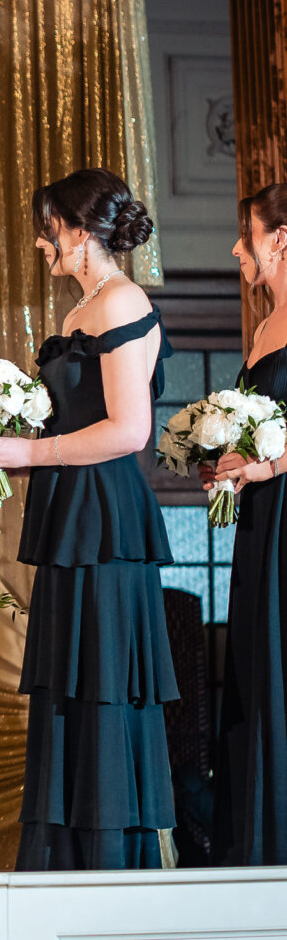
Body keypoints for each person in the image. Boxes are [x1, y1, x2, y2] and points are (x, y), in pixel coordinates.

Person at [0, 167, 176, 871]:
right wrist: (7, 453)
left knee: (104, 685)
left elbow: (129, 430)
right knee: (68, 689)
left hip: (106, 521)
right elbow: (74, 424)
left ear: (82, 231)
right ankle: (65, 863)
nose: (39, 242)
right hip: (68, 514)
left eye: (49, 228)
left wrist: (34, 446)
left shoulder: (120, 302)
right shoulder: (77, 313)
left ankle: (109, 865)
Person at [207, 183, 287, 865]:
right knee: (257, 661)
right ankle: (258, 841)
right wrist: (225, 461)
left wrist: (265, 468)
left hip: (283, 503)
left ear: (279, 239)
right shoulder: (265, 327)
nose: (238, 247)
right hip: (262, 518)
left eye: (248, 233)